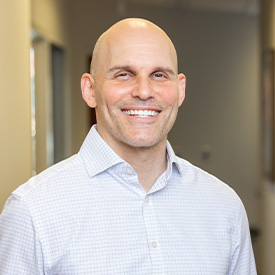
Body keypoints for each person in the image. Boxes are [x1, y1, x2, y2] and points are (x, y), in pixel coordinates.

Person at [0, 18, 256, 274]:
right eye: (124, 74)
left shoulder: (226, 208)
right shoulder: (33, 212)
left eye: (159, 75)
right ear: (90, 89)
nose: (144, 91)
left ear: (180, 90)